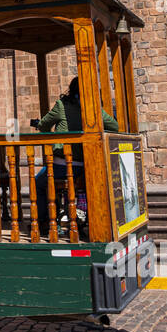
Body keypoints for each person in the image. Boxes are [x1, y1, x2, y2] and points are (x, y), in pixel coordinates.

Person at [30, 78, 119, 234]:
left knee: (39, 183)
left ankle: (45, 221)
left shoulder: (62, 105)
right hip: (85, 167)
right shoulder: (94, 108)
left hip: (62, 165)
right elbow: (114, 126)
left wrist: (44, 128)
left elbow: (44, 125)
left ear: (71, 89)